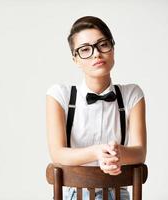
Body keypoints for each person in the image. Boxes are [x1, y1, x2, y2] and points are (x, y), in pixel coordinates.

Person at [46, 16, 147, 200]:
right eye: (85, 49)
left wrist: (118, 154)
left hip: (118, 194)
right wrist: (97, 152)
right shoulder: (59, 95)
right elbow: (57, 153)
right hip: (73, 194)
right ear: (75, 59)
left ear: (113, 49)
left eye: (103, 44)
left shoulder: (132, 94)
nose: (96, 54)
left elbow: (140, 152)